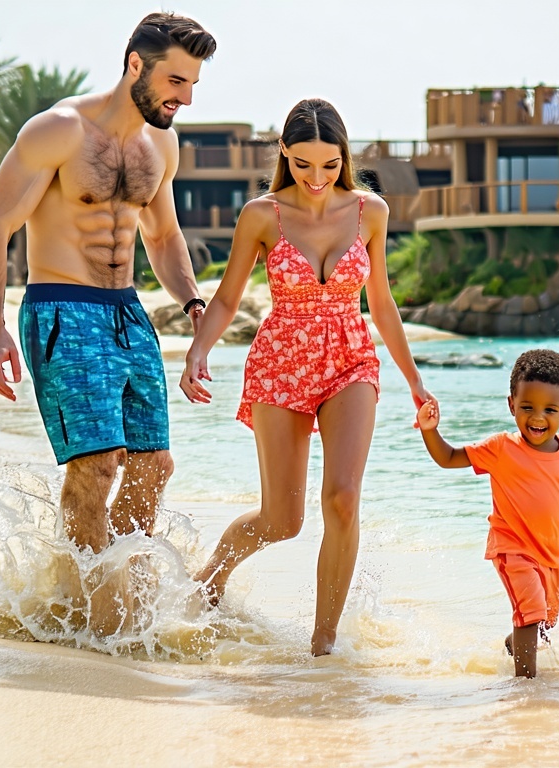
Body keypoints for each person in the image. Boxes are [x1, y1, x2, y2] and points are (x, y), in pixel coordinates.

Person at [0, 12, 215, 631]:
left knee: (153, 466)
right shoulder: (57, 130)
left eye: (193, 85)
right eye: (176, 81)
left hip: (127, 313)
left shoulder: (161, 144)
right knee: (99, 462)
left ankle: (129, 605)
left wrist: (193, 303)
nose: (185, 98)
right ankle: (98, 619)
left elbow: (163, 236)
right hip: (61, 306)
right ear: (136, 64)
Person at [179, 98, 430, 656]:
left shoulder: (370, 211)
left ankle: (323, 645)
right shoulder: (261, 215)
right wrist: (198, 352)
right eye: (303, 165)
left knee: (342, 499)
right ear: (284, 154)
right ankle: (211, 575)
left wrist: (414, 380)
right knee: (282, 520)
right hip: (280, 362)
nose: (317, 178)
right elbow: (228, 298)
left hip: (350, 360)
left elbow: (381, 303)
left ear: (345, 157)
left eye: (330, 165)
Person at [416, 349, 559, 678]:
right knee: (531, 612)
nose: (537, 418)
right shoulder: (501, 448)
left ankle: (514, 644)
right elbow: (448, 458)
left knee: (545, 622)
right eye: (527, 407)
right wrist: (430, 430)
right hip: (512, 548)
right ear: (511, 405)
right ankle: (526, 684)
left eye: (550, 410)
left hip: (551, 553)